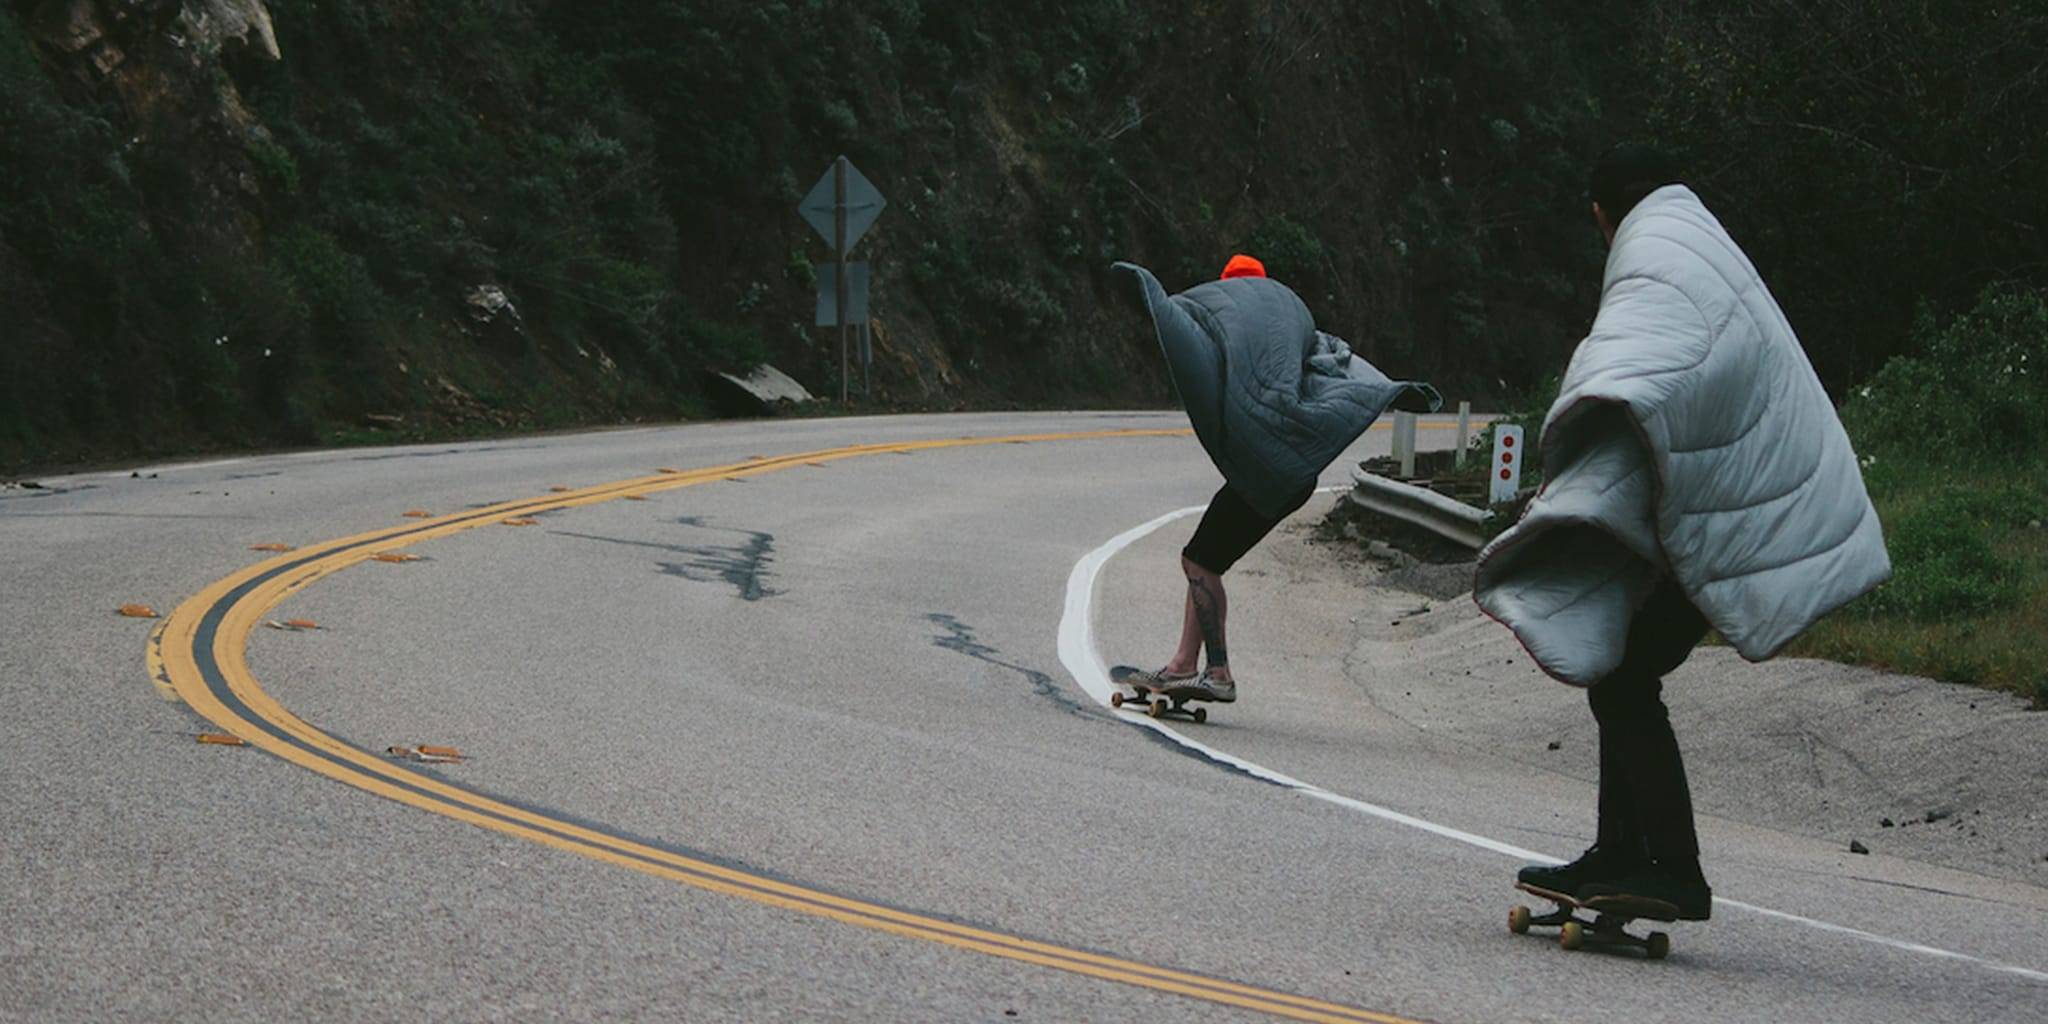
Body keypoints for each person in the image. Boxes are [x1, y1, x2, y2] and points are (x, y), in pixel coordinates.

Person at [1474, 144, 1890, 920]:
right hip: (1750, 493)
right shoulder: (1693, 240)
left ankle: (1674, 870)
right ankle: (1621, 856)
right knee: (1622, 673)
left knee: (1625, 678)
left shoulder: (1655, 252)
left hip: (1746, 509)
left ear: (1601, 213)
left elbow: (1644, 362)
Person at [1113, 253, 1440, 703]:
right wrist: (1391, 389)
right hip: (1293, 474)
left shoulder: (1229, 317)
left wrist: (1149, 289)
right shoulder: (1293, 326)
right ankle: (1183, 665)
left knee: (1198, 562)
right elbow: (1340, 368)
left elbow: (1192, 336)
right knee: (1206, 560)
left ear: (1228, 285)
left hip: (1264, 472)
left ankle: (1218, 673)